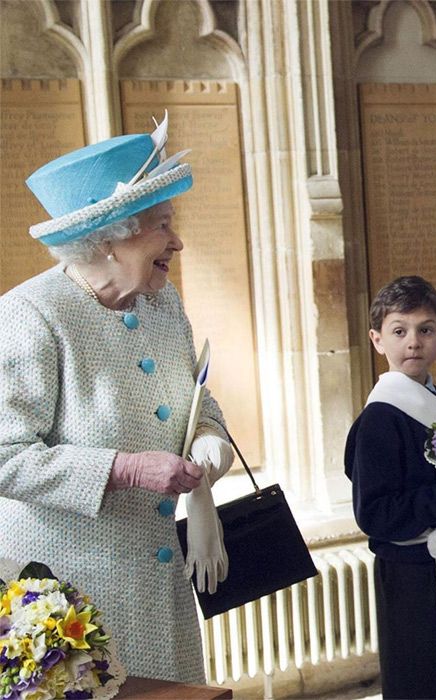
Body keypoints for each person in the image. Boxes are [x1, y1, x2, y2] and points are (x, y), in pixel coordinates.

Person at [0, 114, 235, 683]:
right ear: (108, 239)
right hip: (71, 604)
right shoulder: (31, 316)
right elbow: (7, 457)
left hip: (160, 586)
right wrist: (126, 468)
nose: (176, 242)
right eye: (161, 226)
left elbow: (196, 398)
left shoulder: (160, 301)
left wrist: (208, 441)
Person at [344, 276, 436, 699]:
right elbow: (374, 514)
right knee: (419, 680)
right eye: (399, 331)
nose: (414, 342)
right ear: (377, 340)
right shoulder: (378, 420)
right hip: (409, 573)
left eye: (425, 330)